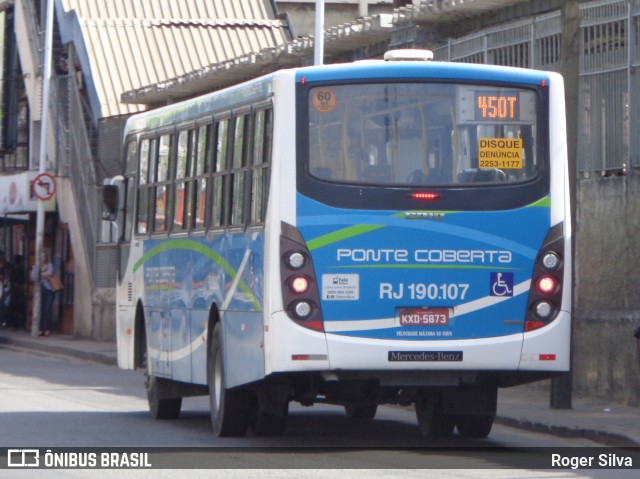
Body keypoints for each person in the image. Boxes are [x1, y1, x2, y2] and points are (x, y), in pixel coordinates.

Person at [31, 252, 56, 336]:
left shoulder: (49, 265)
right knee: (40, 309)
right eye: (41, 256)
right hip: (39, 290)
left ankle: (47, 329)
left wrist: (41, 274)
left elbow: (49, 273)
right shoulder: (36, 266)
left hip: (49, 289)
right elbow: (33, 276)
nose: (42, 258)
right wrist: (42, 274)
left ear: (46, 257)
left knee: (47, 309)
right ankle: (40, 329)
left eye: (44, 256)